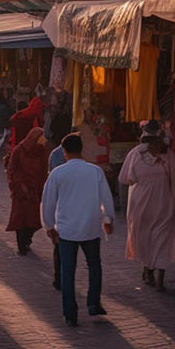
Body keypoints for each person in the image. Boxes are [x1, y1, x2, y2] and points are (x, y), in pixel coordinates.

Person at [41, 134, 115, 326]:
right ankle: (93, 303)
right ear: (82, 149)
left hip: (66, 229)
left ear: (64, 152)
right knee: (94, 265)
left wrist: (49, 226)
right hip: (90, 226)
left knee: (67, 271)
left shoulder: (57, 173)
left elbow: (47, 203)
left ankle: (70, 312)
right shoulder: (94, 171)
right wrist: (107, 219)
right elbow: (106, 197)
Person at [118, 121, 175, 292]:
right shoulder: (139, 154)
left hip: (157, 204)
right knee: (150, 240)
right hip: (150, 205)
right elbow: (125, 179)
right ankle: (148, 270)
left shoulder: (164, 156)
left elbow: (125, 179)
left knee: (160, 241)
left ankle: (157, 277)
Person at [6, 127, 49, 256]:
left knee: (35, 219)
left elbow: (44, 169)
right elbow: (11, 170)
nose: (44, 139)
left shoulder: (42, 151)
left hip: (36, 190)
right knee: (21, 218)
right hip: (21, 190)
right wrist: (20, 184)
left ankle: (27, 240)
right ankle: (21, 245)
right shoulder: (19, 150)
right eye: (42, 137)